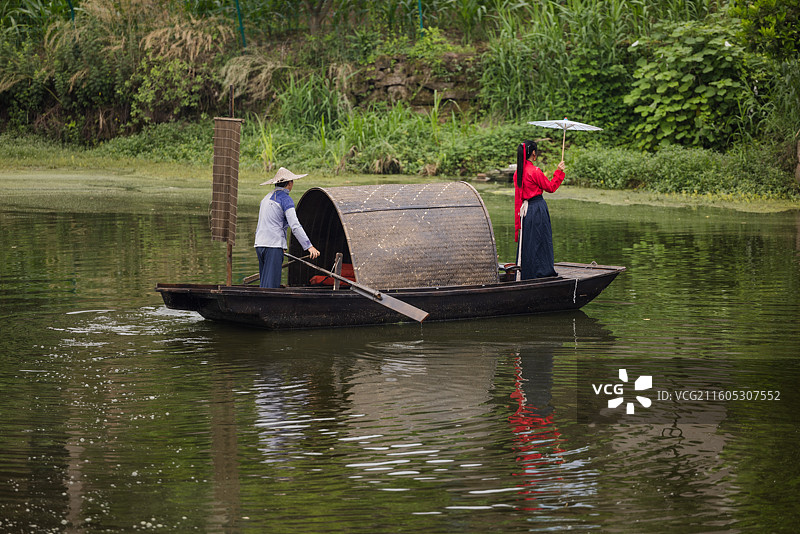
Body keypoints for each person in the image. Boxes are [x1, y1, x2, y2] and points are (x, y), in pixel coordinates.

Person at [254, 167, 320, 288]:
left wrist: (282, 246)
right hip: (272, 245)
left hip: (260, 244)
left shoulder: (266, 198)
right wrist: (309, 246)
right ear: (289, 183)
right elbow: (295, 226)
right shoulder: (285, 199)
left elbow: (266, 223)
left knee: (264, 283)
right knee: (271, 286)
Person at [513, 140, 566, 280]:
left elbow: (518, 196)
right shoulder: (534, 171)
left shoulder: (518, 173)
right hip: (537, 209)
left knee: (528, 241)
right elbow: (551, 187)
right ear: (533, 153)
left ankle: (527, 273)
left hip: (525, 211)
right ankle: (542, 272)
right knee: (541, 240)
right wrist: (559, 171)